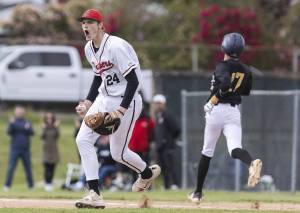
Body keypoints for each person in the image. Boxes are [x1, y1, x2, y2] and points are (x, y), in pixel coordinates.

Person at [74, 9, 161, 209]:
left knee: (118, 154)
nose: (86, 26)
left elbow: (133, 81)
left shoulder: (116, 46)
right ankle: (94, 194)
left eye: (90, 22)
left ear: (101, 25)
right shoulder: (89, 48)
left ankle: (146, 174)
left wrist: (120, 111)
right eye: (83, 22)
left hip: (127, 101)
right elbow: (99, 76)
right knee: (82, 140)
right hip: (104, 98)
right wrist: (87, 102)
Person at [188, 33, 263, 203]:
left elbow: (225, 84)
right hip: (233, 112)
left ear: (224, 47)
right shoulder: (246, 69)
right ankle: (252, 162)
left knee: (207, 152)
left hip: (217, 111)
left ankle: (198, 193)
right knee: (235, 149)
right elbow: (245, 91)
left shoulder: (222, 65)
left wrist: (213, 100)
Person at [153, 94, 180, 190]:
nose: (157, 105)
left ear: (163, 104)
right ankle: (166, 185)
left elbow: (176, 129)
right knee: (162, 167)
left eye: (159, 103)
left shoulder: (168, 115)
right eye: (156, 103)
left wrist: (170, 140)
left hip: (167, 145)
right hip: (160, 146)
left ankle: (175, 184)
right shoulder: (157, 116)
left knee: (170, 165)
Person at [4, 106, 34, 191]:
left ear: (23, 113)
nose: (19, 113)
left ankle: (31, 186)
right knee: (11, 167)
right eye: (18, 112)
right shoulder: (13, 122)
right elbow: (9, 132)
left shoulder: (27, 122)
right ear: (15, 113)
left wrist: (27, 128)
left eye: (21, 112)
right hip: (15, 148)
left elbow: (31, 132)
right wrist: (11, 124)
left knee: (28, 167)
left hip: (25, 149)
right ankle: (7, 185)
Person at [41, 112, 60, 192]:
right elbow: (42, 136)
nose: (49, 120)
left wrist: (55, 127)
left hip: (54, 150)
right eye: (48, 118)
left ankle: (50, 183)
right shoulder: (44, 127)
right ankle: (47, 183)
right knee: (47, 168)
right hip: (46, 150)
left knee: (52, 167)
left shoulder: (55, 127)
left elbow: (57, 135)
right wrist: (45, 128)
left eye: (51, 118)